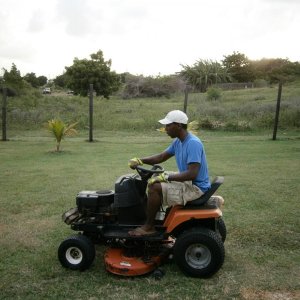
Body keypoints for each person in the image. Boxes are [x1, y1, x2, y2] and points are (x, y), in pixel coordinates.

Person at [128, 110, 211, 236]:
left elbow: (192, 174)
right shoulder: (178, 141)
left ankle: (149, 226)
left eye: (168, 125)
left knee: (154, 187)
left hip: (195, 188)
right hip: (189, 182)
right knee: (155, 177)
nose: (165, 128)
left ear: (178, 125)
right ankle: (154, 216)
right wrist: (140, 160)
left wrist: (166, 177)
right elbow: (161, 157)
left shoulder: (193, 143)